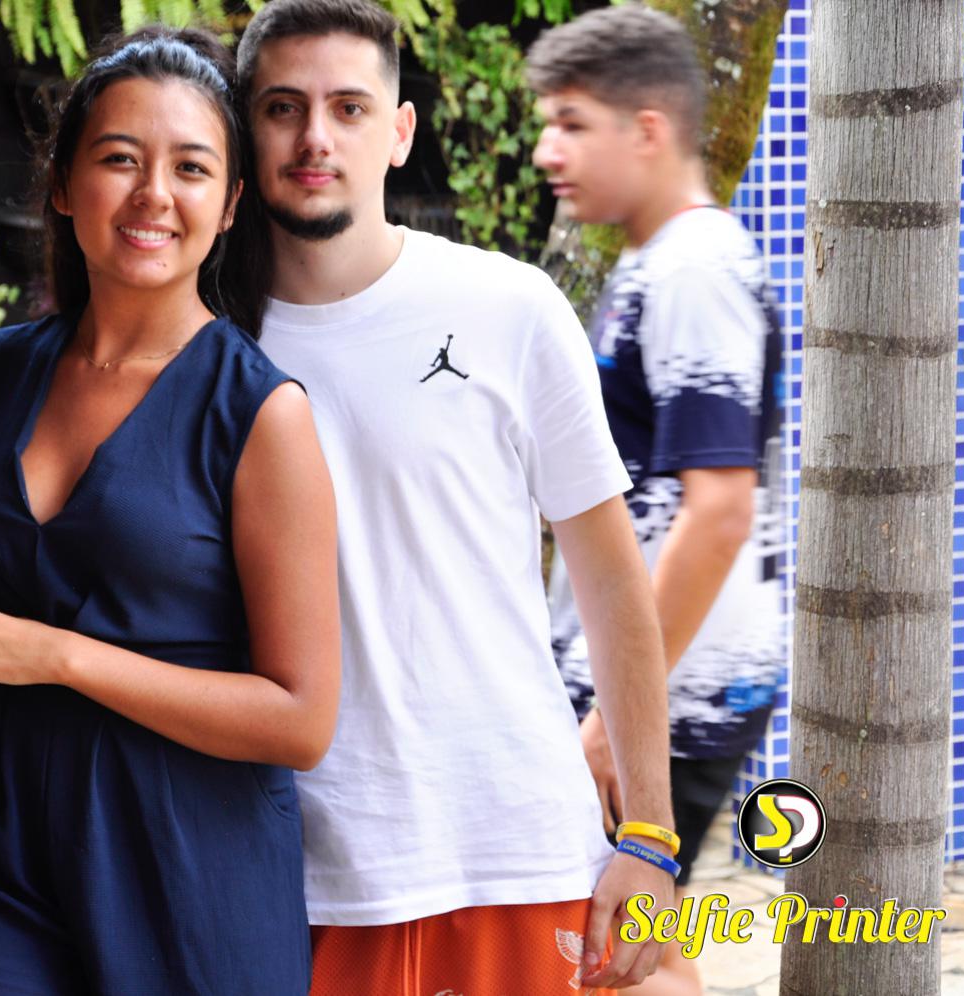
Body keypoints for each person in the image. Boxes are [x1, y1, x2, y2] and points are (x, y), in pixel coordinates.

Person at [0, 27, 340, 996]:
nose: (154, 193)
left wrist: (58, 657)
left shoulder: (260, 413)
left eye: (191, 168)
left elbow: (301, 719)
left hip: (188, 866)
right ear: (65, 184)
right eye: (120, 159)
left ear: (230, 205)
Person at [235, 0, 678, 992]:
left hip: (519, 850)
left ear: (399, 132)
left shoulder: (507, 308)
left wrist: (648, 834)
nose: (315, 138)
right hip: (303, 875)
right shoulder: (205, 343)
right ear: (244, 128)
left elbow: (612, 582)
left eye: (350, 108)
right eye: (283, 108)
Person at [530, 7, 786, 995]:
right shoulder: (660, 260)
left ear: (647, 130)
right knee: (631, 955)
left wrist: (610, 721)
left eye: (572, 123)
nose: (548, 152)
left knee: (613, 961)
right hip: (650, 691)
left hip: (669, 701)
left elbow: (718, 513)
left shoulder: (692, 270)